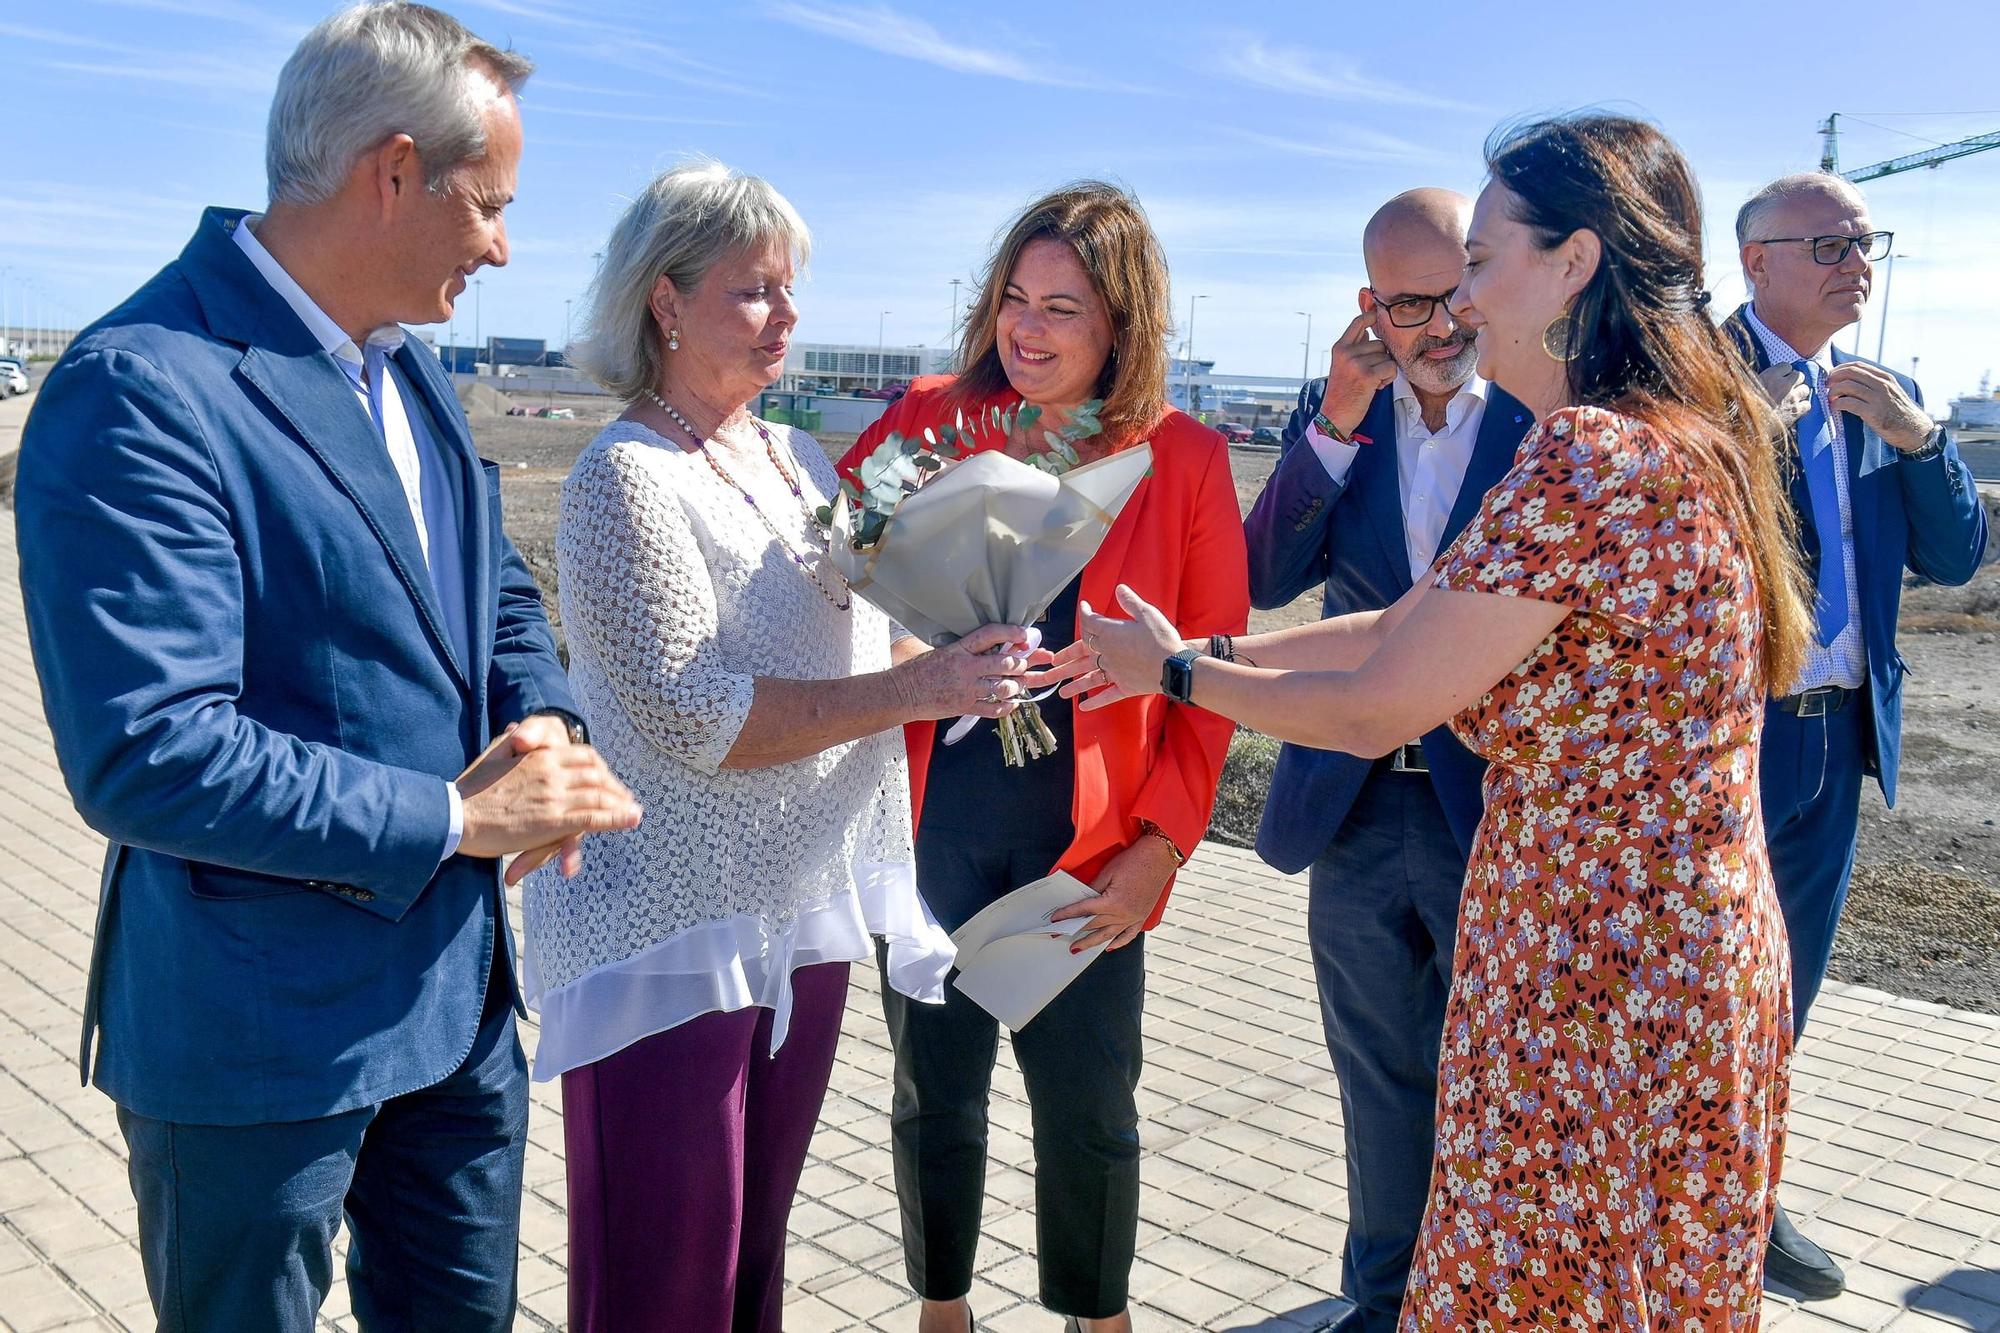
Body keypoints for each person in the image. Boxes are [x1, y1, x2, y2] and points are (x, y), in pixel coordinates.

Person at [1053, 114, 1814, 1329]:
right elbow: (1408, 623)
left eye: (1479, 255)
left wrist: (1180, 680)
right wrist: (1194, 652)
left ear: (1570, 264)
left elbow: (1375, 700)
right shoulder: (1680, 438)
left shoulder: (1587, 456)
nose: (1459, 292)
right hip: (1665, 953)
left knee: (1545, 1290)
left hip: (1593, 972)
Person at [11, 6, 643, 1330]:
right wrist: (460, 818)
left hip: (455, 1012)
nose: (502, 245)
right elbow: (151, 751)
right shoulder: (143, 385)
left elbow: (496, 599)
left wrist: (546, 726)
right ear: (393, 171)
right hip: (260, 1035)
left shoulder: (406, 367)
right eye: (489, 204)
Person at [530, 159, 1033, 1333]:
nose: (790, 317)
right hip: (664, 930)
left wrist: (975, 650)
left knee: (751, 1266)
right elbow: (696, 716)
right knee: (662, 1282)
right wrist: (919, 686)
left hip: (790, 917)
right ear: (666, 301)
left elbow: (861, 618)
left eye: (789, 289)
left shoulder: (793, 457)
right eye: (758, 290)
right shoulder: (620, 479)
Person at [839, 181, 1248, 1333]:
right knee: (933, 1096)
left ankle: (1094, 1313)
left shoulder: (1184, 459)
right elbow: (836, 556)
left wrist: (1162, 848)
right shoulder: (923, 422)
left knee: (1088, 1112)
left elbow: (1207, 691)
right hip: (934, 824)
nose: (1027, 327)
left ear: (1121, 320)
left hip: (1090, 844)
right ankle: (940, 1306)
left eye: (1062, 307)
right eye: (1014, 298)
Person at [1241, 188, 1533, 1333]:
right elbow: (1265, 577)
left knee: (1498, 1082)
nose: (1445, 323)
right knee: (1378, 1081)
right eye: (1412, 303)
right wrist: (1334, 418)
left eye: (1459, 288)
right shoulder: (1340, 411)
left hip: (1493, 811)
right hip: (1355, 810)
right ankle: (1379, 1307)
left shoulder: (1541, 415)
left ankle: (1484, 1299)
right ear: (1371, 309)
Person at [1724, 172, 1988, 1298]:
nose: (1855, 263)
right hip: (1729, 737)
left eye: (1863, 244)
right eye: (1827, 243)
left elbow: (1955, 558)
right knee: (1708, 986)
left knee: (1790, 993)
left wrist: (1918, 435)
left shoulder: (1884, 392)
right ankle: (1682, 1192)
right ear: (1755, 262)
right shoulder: (1691, 378)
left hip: (1839, 740)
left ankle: (1749, 1195)